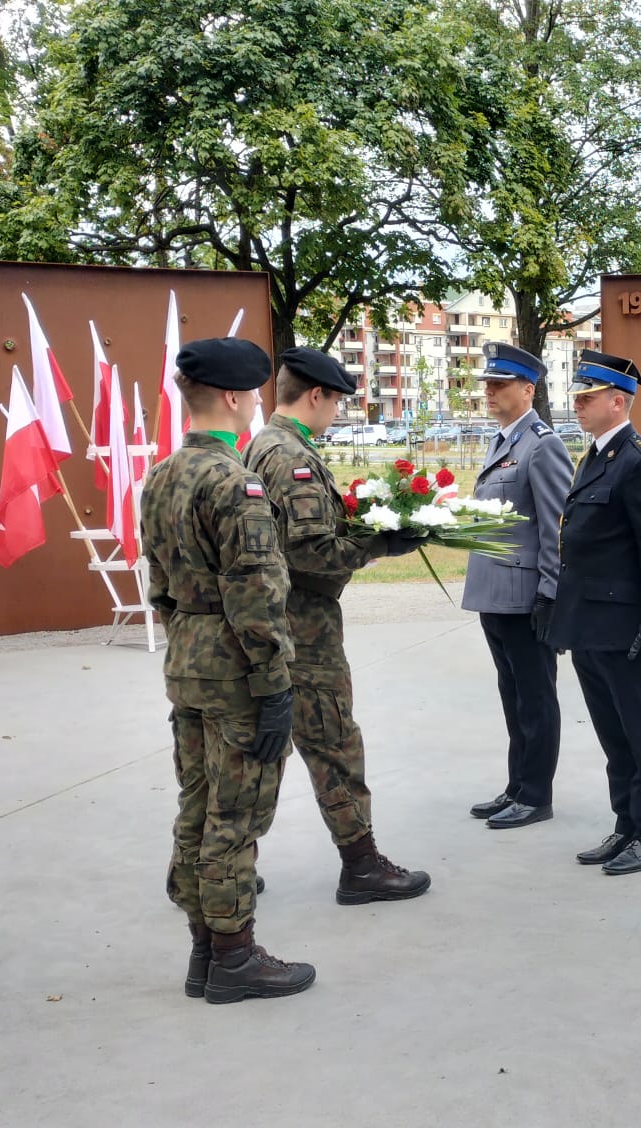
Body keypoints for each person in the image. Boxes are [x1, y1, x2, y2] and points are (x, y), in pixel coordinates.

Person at [142, 337, 312, 1005]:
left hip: (188, 660)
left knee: (197, 807)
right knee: (236, 816)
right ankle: (235, 958)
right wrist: (275, 684)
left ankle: (205, 953)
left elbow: (159, 585)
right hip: (238, 669)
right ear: (235, 397)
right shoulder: (234, 483)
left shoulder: (163, 475)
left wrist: (189, 637)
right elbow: (257, 592)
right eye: (254, 393)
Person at [244, 346, 431, 905]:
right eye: (337, 401)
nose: (338, 412)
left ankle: (229, 862)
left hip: (280, 619)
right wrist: (381, 545)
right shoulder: (290, 457)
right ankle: (362, 865)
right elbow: (309, 551)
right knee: (332, 740)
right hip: (305, 627)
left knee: (264, 746)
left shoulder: (264, 444)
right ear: (316, 395)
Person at [545, 349, 641, 876]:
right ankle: (625, 824)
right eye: (577, 397)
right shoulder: (594, 457)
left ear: (618, 402)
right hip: (589, 625)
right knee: (612, 733)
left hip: (625, 627)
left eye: (587, 397)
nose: (577, 405)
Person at [462, 343, 574, 829]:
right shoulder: (502, 441)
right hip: (495, 594)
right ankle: (517, 786)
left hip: (526, 596)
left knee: (535, 698)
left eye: (500, 384)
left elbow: (557, 526)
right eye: (487, 384)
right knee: (513, 696)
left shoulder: (542, 444)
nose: (489, 391)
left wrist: (551, 594)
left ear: (528, 390)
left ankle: (536, 794)